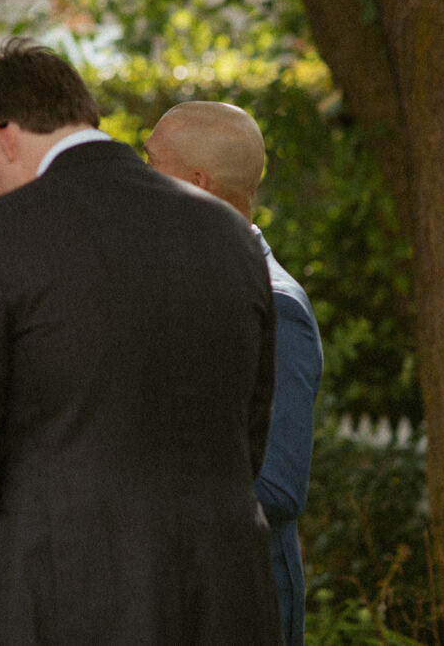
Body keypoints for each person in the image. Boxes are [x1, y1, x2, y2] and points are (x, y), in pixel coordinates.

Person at [0, 37, 283, 644]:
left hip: (65, 596)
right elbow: (250, 424)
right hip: (226, 596)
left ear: (2, 135)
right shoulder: (231, 234)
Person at [145, 100, 324, 646]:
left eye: (152, 166)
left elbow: (278, 487)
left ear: (196, 184)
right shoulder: (168, 288)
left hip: (240, 600)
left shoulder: (277, 306)